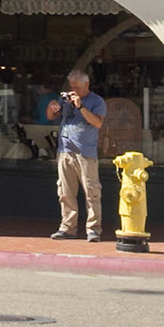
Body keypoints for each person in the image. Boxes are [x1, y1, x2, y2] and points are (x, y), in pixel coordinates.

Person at [49, 69, 106, 242]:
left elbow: (97, 123)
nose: (74, 91)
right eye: (72, 87)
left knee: (92, 191)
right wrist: (52, 108)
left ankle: (93, 229)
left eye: (77, 87)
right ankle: (67, 228)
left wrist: (80, 106)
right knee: (65, 192)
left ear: (86, 84)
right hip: (65, 151)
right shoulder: (66, 99)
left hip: (85, 152)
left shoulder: (96, 101)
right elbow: (51, 117)